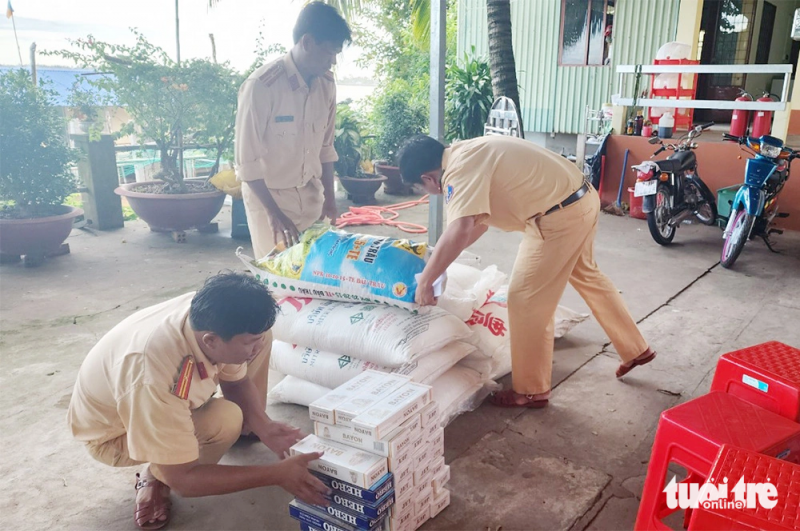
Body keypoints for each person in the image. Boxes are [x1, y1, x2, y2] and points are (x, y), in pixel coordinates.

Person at [397, 134, 656, 408]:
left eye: (420, 188)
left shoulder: (458, 173)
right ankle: (635, 348)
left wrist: (426, 280)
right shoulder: (467, 151)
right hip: (581, 200)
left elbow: (460, 229)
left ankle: (532, 390)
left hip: (556, 217)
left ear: (428, 179)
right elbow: (476, 225)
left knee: (525, 300)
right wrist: (438, 262)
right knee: (587, 275)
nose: (427, 192)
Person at [67, 272, 329, 530]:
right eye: (250, 343)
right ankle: (158, 472)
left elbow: (236, 381)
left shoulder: (212, 318)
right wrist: (276, 474)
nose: (257, 348)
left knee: (256, 339)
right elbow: (185, 481)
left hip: (150, 400)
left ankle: (248, 426)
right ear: (210, 341)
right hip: (115, 433)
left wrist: (265, 426)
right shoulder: (154, 375)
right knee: (225, 420)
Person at [235, 2, 351, 259]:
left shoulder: (326, 85)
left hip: (312, 197)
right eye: (330, 52)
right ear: (307, 42)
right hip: (271, 200)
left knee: (315, 271)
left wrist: (330, 200)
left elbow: (325, 148)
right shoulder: (261, 87)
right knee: (279, 277)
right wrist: (274, 215)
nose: (333, 61)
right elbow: (247, 164)